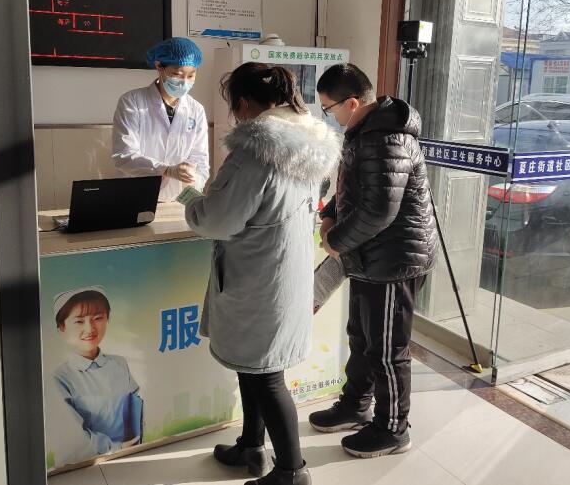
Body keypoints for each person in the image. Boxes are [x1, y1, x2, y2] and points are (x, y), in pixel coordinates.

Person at [184, 63, 341, 485]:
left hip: (256, 277)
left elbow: (216, 220)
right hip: (284, 272)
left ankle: (292, 472)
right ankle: (251, 445)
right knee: (253, 366)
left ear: (243, 104)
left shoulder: (254, 151)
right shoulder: (310, 143)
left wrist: (191, 198)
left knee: (268, 376)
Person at [308, 63, 438, 458]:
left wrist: (335, 240)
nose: (329, 117)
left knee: (387, 349)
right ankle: (355, 405)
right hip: (369, 256)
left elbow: (380, 209)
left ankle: (393, 428)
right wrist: (329, 214)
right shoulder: (365, 132)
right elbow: (353, 189)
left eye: (329, 109)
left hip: (393, 261)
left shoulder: (386, 138)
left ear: (351, 103)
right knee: (362, 337)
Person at [49, 286, 143, 466]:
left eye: (98, 318)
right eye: (79, 321)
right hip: (82, 467)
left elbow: (135, 407)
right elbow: (71, 439)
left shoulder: (119, 363)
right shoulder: (59, 378)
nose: (90, 328)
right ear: (61, 328)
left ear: (107, 319)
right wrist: (117, 448)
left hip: (127, 457)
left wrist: (134, 444)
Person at [112, 37, 209, 202]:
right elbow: (124, 156)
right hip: (136, 196)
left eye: (191, 75)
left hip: (178, 199)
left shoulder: (196, 109)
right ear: (159, 66)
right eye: (177, 75)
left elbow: (200, 159)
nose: (184, 82)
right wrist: (165, 170)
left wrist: (193, 179)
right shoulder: (132, 102)